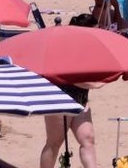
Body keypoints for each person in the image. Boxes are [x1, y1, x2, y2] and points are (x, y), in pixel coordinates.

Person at [40, 14, 99, 168]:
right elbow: (61, 74)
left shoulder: (90, 50)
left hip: (81, 100)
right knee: (54, 143)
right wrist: (92, 84)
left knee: (88, 140)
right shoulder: (65, 47)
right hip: (58, 99)